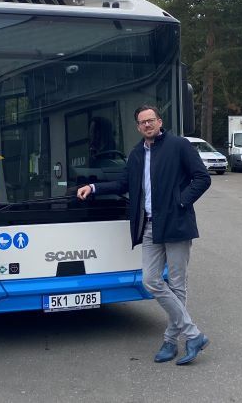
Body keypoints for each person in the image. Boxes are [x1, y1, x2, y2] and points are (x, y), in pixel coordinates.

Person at [77, 105, 211, 365]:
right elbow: (123, 184)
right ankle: (193, 334)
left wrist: (181, 202)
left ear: (159, 122)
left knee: (177, 285)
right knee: (150, 280)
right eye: (142, 122)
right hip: (148, 226)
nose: (147, 125)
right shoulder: (137, 153)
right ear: (138, 127)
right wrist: (92, 187)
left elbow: (202, 178)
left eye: (151, 120)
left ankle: (171, 341)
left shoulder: (179, 145)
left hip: (176, 224)